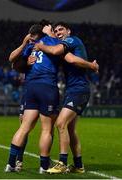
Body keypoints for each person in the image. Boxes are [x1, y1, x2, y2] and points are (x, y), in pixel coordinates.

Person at [33, 22, 99, 174]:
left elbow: (70, 59)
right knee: (70, 129)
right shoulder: (64, 47)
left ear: (68, 30)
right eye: (55, 31)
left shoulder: (72, 40)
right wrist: (91, 65)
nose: (58, 32)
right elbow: (66, 56)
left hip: (79, 90)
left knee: (60, 123)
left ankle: (62, 163)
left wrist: (42, 45)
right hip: (72, 90)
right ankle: (78, 165)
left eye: (61, 29)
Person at [5, 23, 61, 173]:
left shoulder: (31, 47)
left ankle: (11, 163)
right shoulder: (52, 41)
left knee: (24, 128)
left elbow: (14, 60)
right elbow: (60, 49)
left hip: (30, 87)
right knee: (47, 129)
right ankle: (43, 166)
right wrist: (51, 35)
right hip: (47, 86)